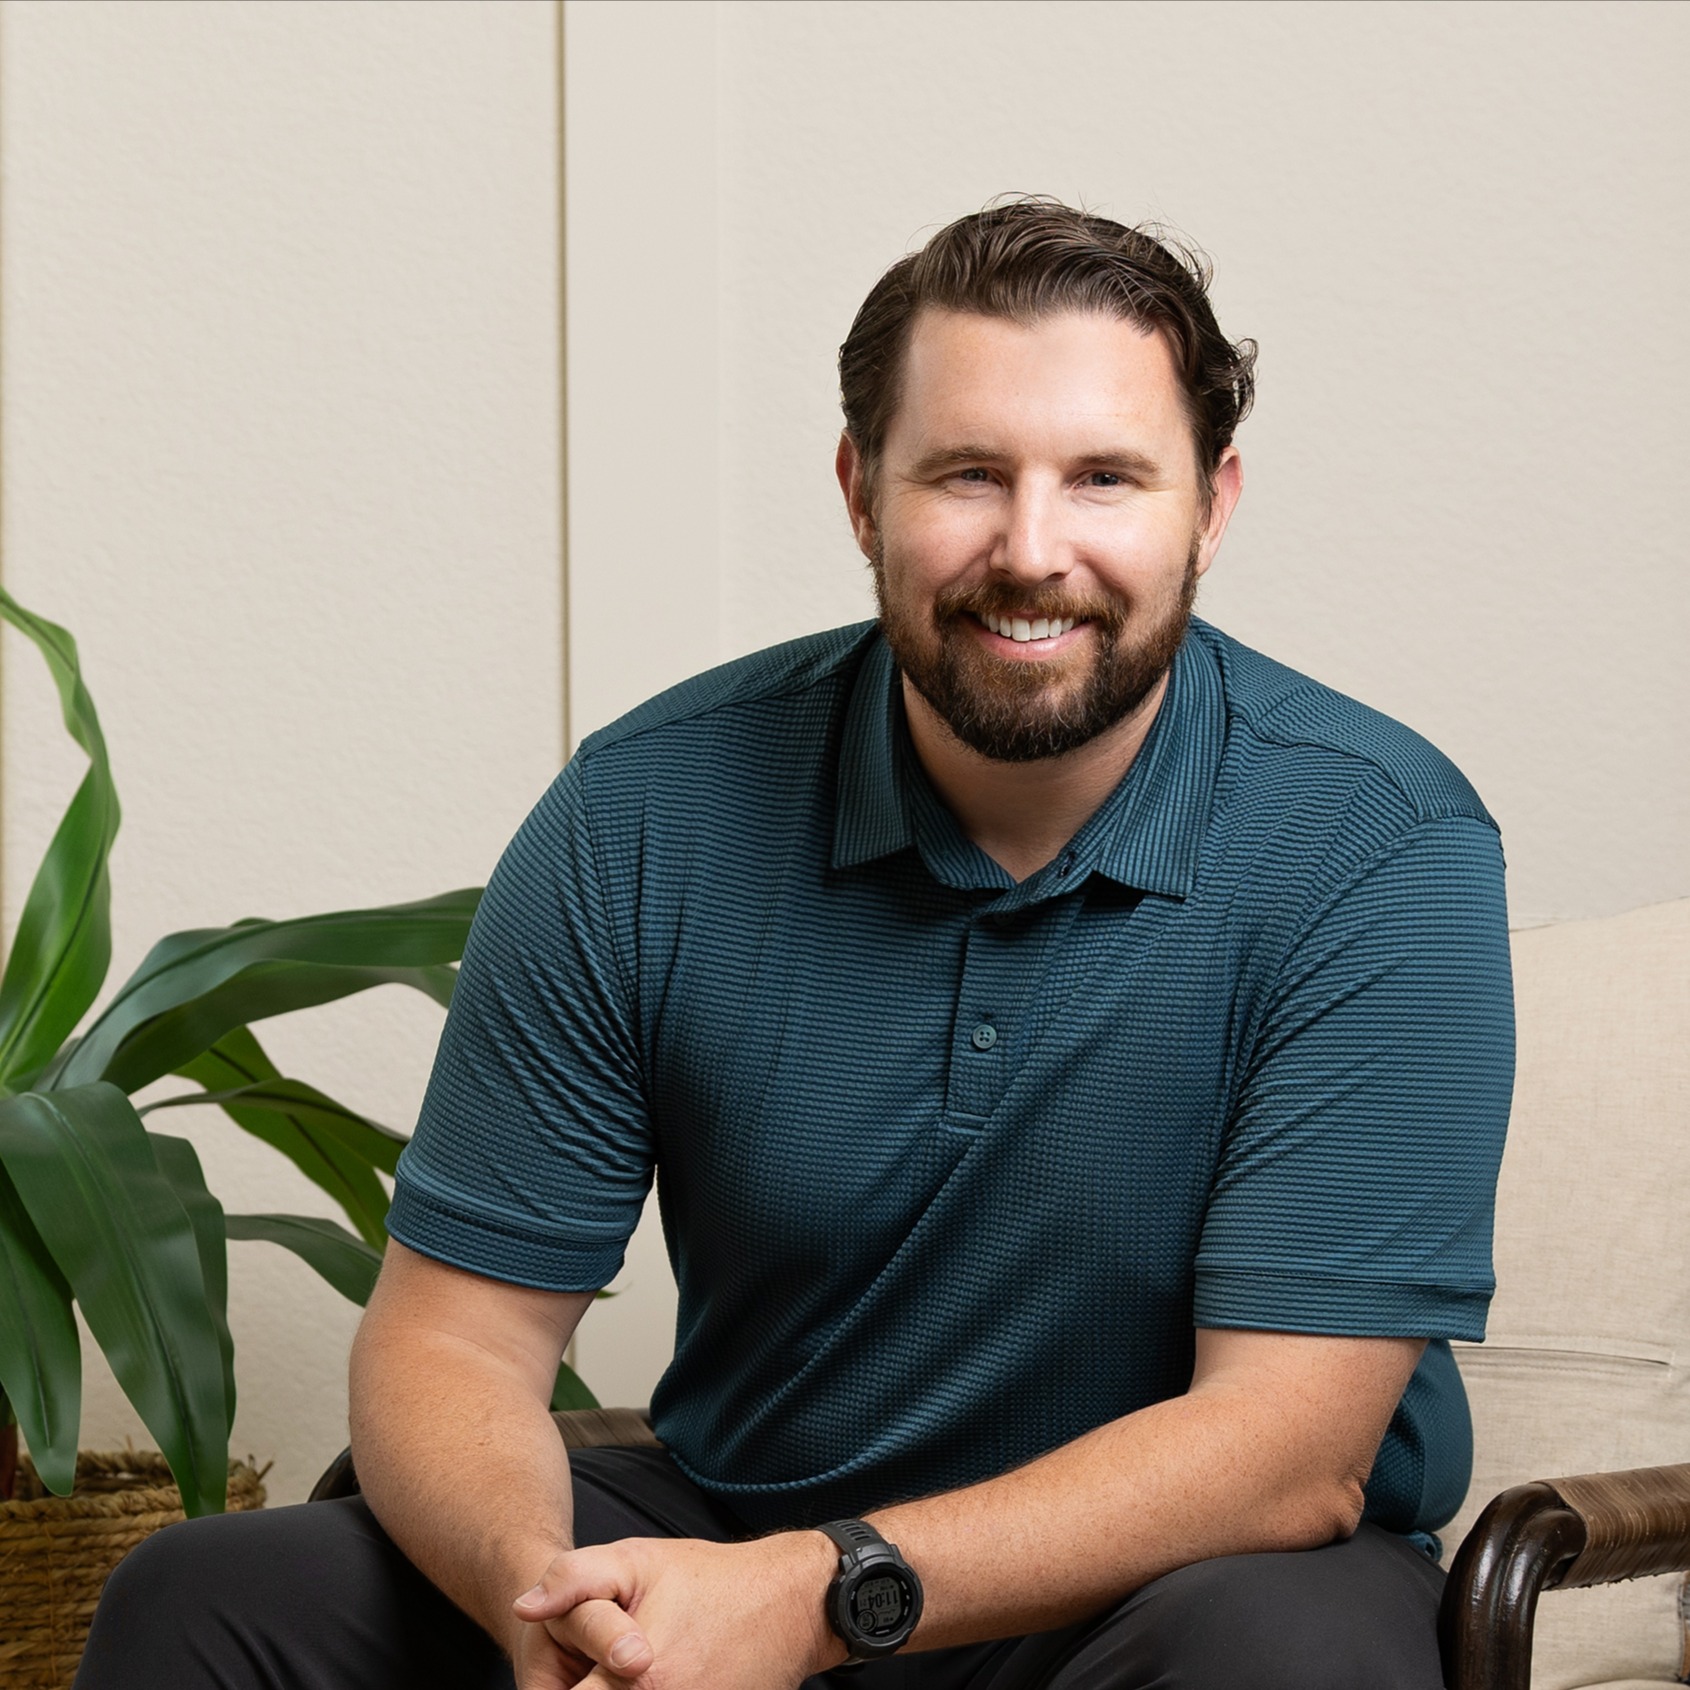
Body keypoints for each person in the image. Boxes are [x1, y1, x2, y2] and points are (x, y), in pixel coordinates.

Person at [78, 198, 1514, 1690]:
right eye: (967, 473)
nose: (1033, 549)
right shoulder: (643, 808)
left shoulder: (1380, 844)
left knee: (1286, 1661)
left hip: (1169, 1588)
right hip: (736, 1536)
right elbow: (455, 1340)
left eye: (1103, 478)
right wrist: (548, 1601)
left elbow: (1286, 1452)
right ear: (858, 491)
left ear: (1208, 506)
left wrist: (823, 1594)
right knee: (207, 1601)